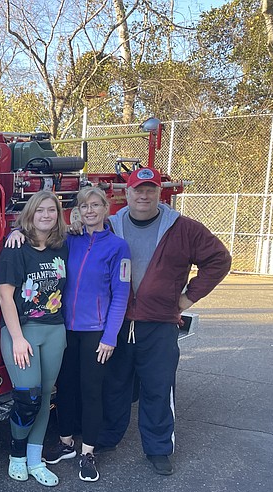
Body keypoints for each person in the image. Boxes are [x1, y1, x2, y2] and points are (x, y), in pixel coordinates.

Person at [95, 166, 231, 475]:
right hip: (116, 323)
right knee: (114, 386)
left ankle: (158, 449)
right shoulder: (109, 226)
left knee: (158, 387)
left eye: (150, 190)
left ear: (159, 193)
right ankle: (106, 438)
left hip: (159, 324)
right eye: (137, 190)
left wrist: (188, 298)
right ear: (125, 193)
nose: (143, 195)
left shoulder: (183, 228)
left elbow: (219, 259)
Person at [41, 187, 131, 482]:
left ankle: (87, 451)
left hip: (96, 333)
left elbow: (121, 294)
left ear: (106, 208)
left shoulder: (118, 247)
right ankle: (66, 442)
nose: (89, 210)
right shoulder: (69, 239)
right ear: (77, 210)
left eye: (95, 205)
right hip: (65, 328)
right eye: (83, 206)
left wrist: (110, 336)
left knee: (92, 392)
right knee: (65, 387)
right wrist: (16, 234)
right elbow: (37, 236)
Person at [0, 190, 68, 487]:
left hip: (55, 329)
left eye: (51, 210)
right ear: (30, 214)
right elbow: (5, 294)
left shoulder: (62, 246)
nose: (45, 215)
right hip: (23, 331)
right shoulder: (16, 247)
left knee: (45, 400)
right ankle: (17, 456)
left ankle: (36, 459)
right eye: (40, 210)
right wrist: (17, 338)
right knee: (28, 398)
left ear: (57, 215)